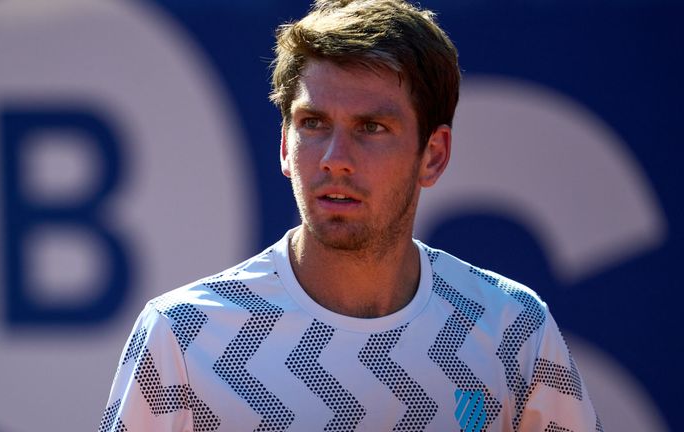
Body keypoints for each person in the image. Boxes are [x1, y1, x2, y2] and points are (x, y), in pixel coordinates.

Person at [99, 0, 602, 431]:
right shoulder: (180, 334)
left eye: (371, 127)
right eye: (313, 123)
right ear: (283, 145)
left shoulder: (514, 328)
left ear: (434, 155)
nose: (334, 157)